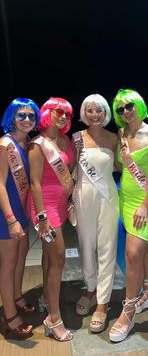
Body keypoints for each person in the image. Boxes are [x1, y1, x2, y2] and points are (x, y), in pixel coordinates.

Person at [108, 88, 148, 342]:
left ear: (139, 106)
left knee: (132, 253)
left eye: (129, 106)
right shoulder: (122, 133)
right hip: (127, 198)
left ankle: (129, 309)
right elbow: (122, 168)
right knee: (141, 251)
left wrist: (145, 205)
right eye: (120, 109)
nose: (125, 112)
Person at [26, 97, 75, 342]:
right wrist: (42, 217)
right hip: (44, 208)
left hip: (61, 205)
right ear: (47, 113)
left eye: (67, 113)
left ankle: (47, 297)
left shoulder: (66, 140)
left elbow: (71, 170)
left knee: (49, 257)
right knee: (58, 258)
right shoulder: (37, 145)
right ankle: (53, 319)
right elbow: (34, 182)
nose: (63, 117)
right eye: (58, 112)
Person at [72, 94, 119, 333]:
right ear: (84, 113)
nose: (94, 115)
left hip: (108, 197)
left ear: (105, 113)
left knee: (107, 247)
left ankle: (102, 302)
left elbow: (122, 166)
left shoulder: (114, 138)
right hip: (83, 196)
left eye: (99, 110)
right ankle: (90, 288)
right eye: (90, 110)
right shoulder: (76, 138)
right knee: (86, 244)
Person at [0, 97, 40, 339]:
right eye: (21, 115)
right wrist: (11, 219)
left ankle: (15, 295)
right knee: (8, 263)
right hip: (7, 214)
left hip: (21, 212)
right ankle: (10, 317)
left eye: (31, 116)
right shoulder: (5, 145)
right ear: (11, 117)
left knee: (21, 255)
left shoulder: (26, 145)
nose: (26, 119)